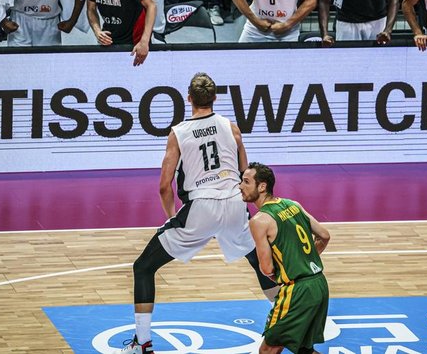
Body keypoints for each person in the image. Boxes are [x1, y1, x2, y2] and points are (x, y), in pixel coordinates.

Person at [120, 73, 279, 354]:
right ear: (215, 98)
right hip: (233, 203)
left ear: (189, 98)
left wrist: (172, 218)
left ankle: (142, 344)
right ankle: (285, 320)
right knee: (261, 263)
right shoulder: (231, 128)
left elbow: (164, 186)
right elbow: (246, 178)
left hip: (201, 206)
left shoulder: (179, 132)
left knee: (143, 267)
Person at [240, 162, 330, 354]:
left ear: (262, 186)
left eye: (246, 182)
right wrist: (304, 261)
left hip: (297, 290)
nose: (240, 186)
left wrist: (289, 269)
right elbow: (324, 235)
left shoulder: (259, 221)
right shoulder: (293, 205)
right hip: (319, 284)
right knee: (304, 350)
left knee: (268, 349)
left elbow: (266, 269)